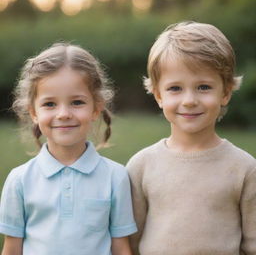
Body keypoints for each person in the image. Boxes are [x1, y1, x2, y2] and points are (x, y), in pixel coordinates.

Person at [127, 21, 256, 255]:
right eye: (175, 88)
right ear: (158, 95)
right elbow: (130, 241)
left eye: (203, 87)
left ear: (225, 92)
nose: (189, 100)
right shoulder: (141, 166)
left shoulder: (244, 168)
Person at [0, 43, 137, 255]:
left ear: (96, 108)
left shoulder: (115, 177)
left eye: (76, 102)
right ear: (33, 112)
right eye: (50, 104)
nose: (63, 113)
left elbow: (121, 247)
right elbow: (11, 248)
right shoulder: (19, 180)